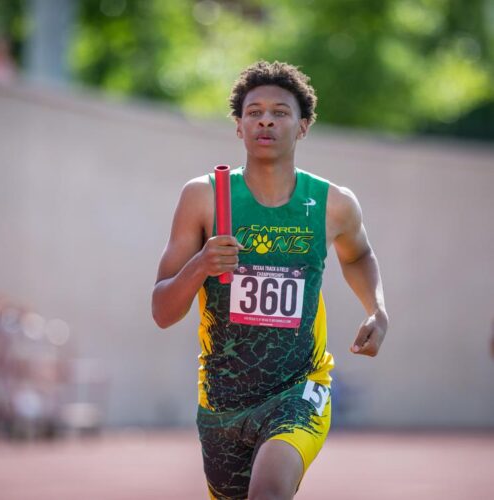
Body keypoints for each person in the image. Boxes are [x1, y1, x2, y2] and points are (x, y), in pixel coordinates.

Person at [152, 60, 388, 500]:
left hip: (300, 386)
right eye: (254, 111)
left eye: (280, 111)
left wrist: (376, 308)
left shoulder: (333, 204)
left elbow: (359, 255)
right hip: (222, 401)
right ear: (239, 127)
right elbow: (163, 311)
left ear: (302, 126)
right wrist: (202, 264)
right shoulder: (202, 198)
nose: (265, 119)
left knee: (270, 490)